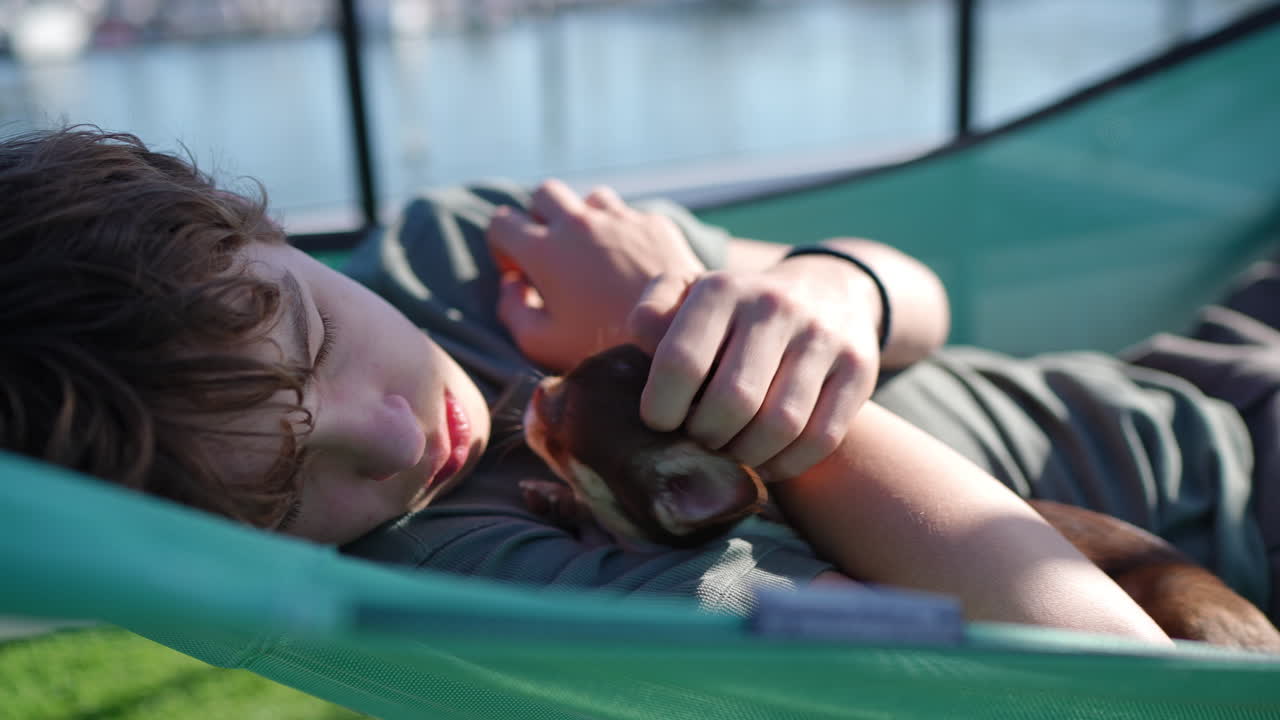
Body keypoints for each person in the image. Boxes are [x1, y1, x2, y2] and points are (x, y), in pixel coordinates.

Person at [0, 127, 1268, 645]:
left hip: (1170, 375)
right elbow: (1106, 677)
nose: (392, 437)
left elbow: (916, 297)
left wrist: (830, 292)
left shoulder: (469, 252)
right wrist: (661, 334)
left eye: (321, 340)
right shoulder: (484, 568)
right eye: (289, 487)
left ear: (267, 234)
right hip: (1228, 504)